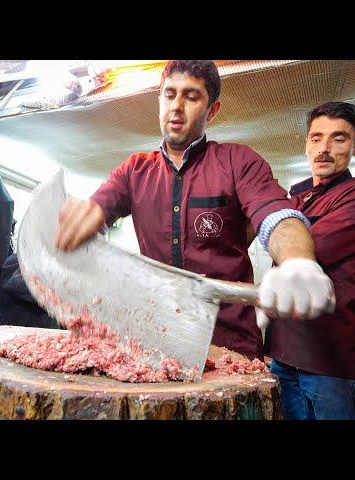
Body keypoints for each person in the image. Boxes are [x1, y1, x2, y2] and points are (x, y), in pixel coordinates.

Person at [54, 60, 334, 361]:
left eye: (191, 96)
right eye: (169, 94)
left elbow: (275, 215)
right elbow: (97, 210)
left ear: (212, 110)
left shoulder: (238, 162)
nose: (176, 106)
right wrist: (82, 224)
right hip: (158, 344)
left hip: (230, 347)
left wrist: (298, 261)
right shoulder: (133, 171)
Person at [261, 101, 355, 419]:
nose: (325, 149)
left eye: (339, 138)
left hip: (331, 362)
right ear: (306, 144)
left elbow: (305, 249)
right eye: (316, 138)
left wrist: (275, 229)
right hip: (283, 355)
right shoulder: (297, 198)